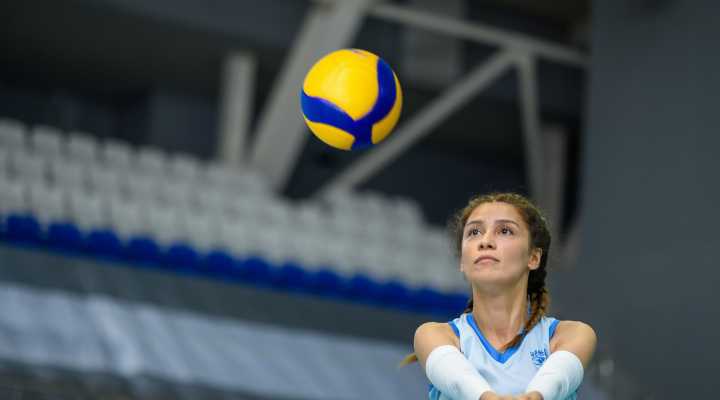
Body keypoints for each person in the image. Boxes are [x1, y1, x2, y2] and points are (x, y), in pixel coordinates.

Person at [407, 193, 596, 400]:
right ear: (462, 262)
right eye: (474, 232)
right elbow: (461, 382)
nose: (485, 241)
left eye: (505, 230)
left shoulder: (572, 335)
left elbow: (554, 382)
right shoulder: (432, 335)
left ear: (533, 257)